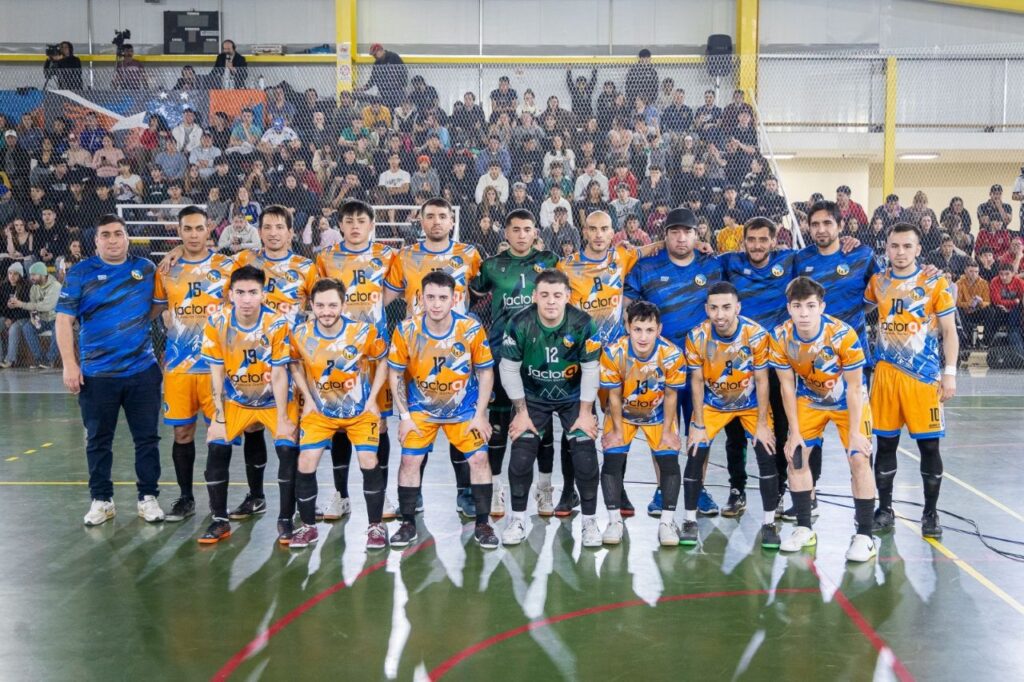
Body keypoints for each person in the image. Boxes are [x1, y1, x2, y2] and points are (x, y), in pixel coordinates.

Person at [55, 215, 164, 526]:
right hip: (97, 375)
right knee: (98, 440)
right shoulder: (80, 273)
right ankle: (101, 500)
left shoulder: (145, 268)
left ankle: (148, 497)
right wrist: (70, 364)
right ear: (97, 241)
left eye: (119, 234)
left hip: (142, 371)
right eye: (106, 235)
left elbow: (155, 306)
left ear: (127, 238)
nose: (113, 240)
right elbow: (64, 320)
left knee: (147, 439)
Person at [384, 197, 484, 514]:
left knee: (459, 423)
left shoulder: (469, 254)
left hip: (456, 352)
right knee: (419, 427)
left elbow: (483, 292)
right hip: (417, 353)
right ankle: (416, 498)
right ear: (421, 221)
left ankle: (465, 491)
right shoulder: (406, 256)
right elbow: (384, 298)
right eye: (430, 216)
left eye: (443, 216)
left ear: (451, 221)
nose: (437, 221)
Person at [623, 208, 724, 515]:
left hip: (700, 366)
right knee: (661, 428)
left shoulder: (713, 266)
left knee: (699, 426)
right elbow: (628, 307)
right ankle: (661, 489)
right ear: (664, 235)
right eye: (675, 232)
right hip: (658, 367)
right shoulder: (647, 267)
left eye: (688, 232)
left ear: (698, 235)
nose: (682, 238)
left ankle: (699, 487)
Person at [388, 271, 499, 549]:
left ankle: (483, 523)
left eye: (442, 298)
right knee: (409, 462)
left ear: (455, 299)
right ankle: (408, 523)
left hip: (463, 410)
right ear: (421, 298)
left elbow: (486, 373)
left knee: (479, 460)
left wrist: (480, 414)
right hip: (421, 411)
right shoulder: (406, 329)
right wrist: (404, 417)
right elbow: (396, 375)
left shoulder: (470, 329)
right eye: (430, 297)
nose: (436, 304)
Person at [769, 277, 877, 561]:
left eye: (810, 306)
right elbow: (786, 386)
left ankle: (865, 535)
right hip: (810, 400)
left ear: (822, 307)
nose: (804, 313)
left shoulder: (843, 335)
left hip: (847, 403)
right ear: (789, 308)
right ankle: (805, 529)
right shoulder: (780, 337)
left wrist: (856, 433)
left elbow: (855, 386)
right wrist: (793, 431)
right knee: (797, 457)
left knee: (859, 459)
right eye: (797, 306)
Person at [866, 222, 958, 539]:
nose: (901, 252)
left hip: (923, 378)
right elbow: (856, 308)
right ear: (886, 249)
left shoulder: (934, 283)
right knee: (886, 444)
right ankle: (884, 508)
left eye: (907, 246)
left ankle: (930, 514)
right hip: (886, 376)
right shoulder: (877, 282)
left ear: (919, 249)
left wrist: (949, 374)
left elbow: (950, 332)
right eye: (894, 246)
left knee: (929, 448)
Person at [499, 269, 603, 547]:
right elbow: (508, 370)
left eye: (557, 295)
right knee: (521, 454)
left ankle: (590, 523)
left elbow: (591, 370)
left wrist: (585, 413)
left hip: (573, 397)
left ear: (568, 297)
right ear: (534, 297)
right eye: (544, 295)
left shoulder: (583, 323)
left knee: (584, 454)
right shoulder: (520, 322)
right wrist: (521, 413)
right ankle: (518, 519)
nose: (551, 302)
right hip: (532, 397)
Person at [197, 265, 300, 544]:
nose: (246, 299)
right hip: (237, 400)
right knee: (217, 444)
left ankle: (286, 520)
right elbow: (216, 373)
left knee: (287, 447)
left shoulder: (277, 323)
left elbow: (280, 373)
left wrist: (282, 418)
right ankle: (219, 519)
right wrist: (218, 417)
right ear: (230, 294)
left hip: (274, 400)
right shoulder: (218, 322)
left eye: (253, 292)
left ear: (263, 294)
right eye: (240, 292)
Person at [792, 200, 879, 516]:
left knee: (858, 442)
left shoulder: (863, 255)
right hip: (810, 362)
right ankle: (809, 498)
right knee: (808, 438)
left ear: (841, 226)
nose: (820, 230)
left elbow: (881, 291)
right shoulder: (801, 259)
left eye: (827, 223)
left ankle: (867, 517)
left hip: (851, 365)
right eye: (815, 224)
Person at [470, 209, 560, 516]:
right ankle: (496, 490)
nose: (521, 235)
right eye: (516, 229)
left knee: (541, 427)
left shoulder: (549, 261)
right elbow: (469, 292)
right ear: (505, 234)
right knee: (498, 427)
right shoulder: (492, 266)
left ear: (535, 232)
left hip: (540, 358)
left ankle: (544, 489)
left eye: (527, 229)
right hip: (501, 355)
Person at [289, 278, 389, 549]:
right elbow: (295, 365)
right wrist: (307, 399)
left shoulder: (363, 332)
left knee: (369, 459)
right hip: (320, 411)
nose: (326, 311)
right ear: (311, 305)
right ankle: (309, 527)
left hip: (359, 410)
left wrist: (373, 399)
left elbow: (382, 362)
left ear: (343, 305)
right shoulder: (300, 333)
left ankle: (376, 527)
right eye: (320, 305)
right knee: (306, 461)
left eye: (332, 305)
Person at [149, 206, 235, 522]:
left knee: (220, 435)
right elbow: (156, 311)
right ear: (179, 231)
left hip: (216, 368)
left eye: (200, 228)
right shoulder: (166, 271)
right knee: (182, 433)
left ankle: (218, 505)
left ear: (209, 229)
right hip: (180, 367)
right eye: (188, 229)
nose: (194, 235)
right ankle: (186, 499)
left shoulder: (227, 266)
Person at [315, 200, 400, 520]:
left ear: (371, 224)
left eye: (360, 220)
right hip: (336, 355)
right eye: (348, 221)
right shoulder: (326, 257)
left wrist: (370, 311)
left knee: (379, 425)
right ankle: (340, 495)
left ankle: (384, 492)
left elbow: (392, 292)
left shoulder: (387, 255)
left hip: (374, 354)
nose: (354, 226)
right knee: (339, 424)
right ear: (339, 225)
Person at [680, 281, 779, 549]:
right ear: (706, 309)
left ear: (738, 307)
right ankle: (689, 521)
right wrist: (698, 423)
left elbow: (762, 380)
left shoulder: (756, 335)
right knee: (694, 451)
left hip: (750, 405)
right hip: (714, 404)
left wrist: (761, 423)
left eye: (726, 307)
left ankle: (769, 524)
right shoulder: (697, 336)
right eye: (713, 308)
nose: (720, 314)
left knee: (766, 453)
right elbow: (697, 381)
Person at [599, 301, 685, 546]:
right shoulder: (614, 352)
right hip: (623, 413)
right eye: (638, 329)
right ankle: (614, 520)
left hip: (657, 414)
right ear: (628, 327)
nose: (643, 336)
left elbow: (671, 395)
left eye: (649, 330)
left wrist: (668, 431)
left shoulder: (672, 355)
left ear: (659, 329)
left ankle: (667, 522)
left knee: (669, 460)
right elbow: (613, 395)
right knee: (612, 458)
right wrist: (616, 430)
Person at [1, 262, 60, 369]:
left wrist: (20, 304)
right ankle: (40, 360)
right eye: (30, 275)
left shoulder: (55, 286)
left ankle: (50, 360)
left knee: (59, 328)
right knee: (28, 327)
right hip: (41, 319)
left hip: (55, 318)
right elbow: (33, 307)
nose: (31, 277)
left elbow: (46, 306)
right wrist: (34, 318)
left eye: (34, 275)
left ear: (42, 274)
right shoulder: (34, 288)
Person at [990, 263, 1024, 354]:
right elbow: (996, 301)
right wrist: (1014, 302)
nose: (1004, 277)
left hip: (1015, 310)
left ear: (1013, 273)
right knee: (994, 311)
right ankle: (989, 342)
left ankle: (1019, 352)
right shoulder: (995, 281)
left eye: (1007, 274)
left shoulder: (1019, 282)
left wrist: (1013, 305)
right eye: (1001, 274)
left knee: (1015, 312)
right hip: (1000, 310)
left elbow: (1022, 300)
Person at [361, 43, 407, 111]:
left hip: (397, 91)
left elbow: (403, 70)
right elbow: (373, 78)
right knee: (386, 111)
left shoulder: (393, 57)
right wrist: (365, 87)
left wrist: (402, 84)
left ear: (381, 50)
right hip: (384, 93)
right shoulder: (377, 63)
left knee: (398, 110)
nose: (374, 56)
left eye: (375, 54)